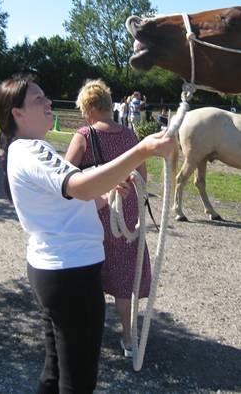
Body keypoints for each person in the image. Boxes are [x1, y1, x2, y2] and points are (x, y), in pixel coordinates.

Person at [0, 73, 174, 393]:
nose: (48, 102)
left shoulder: (26, 150)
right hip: (71, 276)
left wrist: (106, 193)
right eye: (38, 99)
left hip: (57, 271)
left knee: (56, 373)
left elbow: (73, 202)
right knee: (77, 382)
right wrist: (142, 150)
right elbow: (77, 185)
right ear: (17, 114)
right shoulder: (32, 150)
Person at [65, 79, 152, 358]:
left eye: (82, 109)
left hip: (94, 212)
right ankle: (129, 338)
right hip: (125, 215)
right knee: (124, 279)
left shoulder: (85, 135)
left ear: (90, 107)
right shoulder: (129, 136)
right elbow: (143, 177)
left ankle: (86, 335)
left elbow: (65, 176)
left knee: (89, 275)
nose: (82, 114)